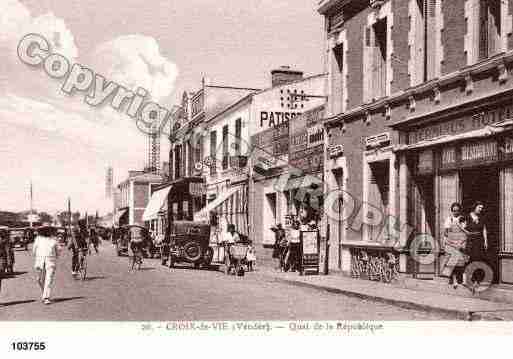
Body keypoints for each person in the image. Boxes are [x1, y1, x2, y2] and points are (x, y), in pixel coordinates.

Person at [443, 202, 468, 289]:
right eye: (454, 211)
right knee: (452, 263)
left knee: (462, 262)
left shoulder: (462, 219)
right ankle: (455, 281)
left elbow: (464, 231)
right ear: (452, 211)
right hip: (451, 242)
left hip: (460, 242)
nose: (455, 212)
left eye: (457, 210)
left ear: (459, 211)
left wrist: (461, 243)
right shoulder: (449, 219)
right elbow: (446, 232)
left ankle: (464, 280)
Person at [32, 226, 59, 304]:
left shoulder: (54, 240)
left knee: (48, 279)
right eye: (44, 230)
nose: (46, 232)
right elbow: (34, 251)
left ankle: (46, 297)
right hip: (40, 262)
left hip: (50, 261)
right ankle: (45, 292)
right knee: (39, 279)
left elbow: (58, 251)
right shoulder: (38, 240)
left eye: (48, 230)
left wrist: (53, 256)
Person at [465, 201, 489, 289]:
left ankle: (477, 280)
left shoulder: (481, 217)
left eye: (482, 208)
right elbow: (463, 228)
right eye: (479, 207)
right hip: (471, 241)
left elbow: (484, 229)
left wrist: (486, 241)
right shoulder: (467, 217)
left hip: (479, 241)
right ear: (475, 207)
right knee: (471, 260)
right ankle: (470, 279)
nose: (481, 210)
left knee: (479, 260)